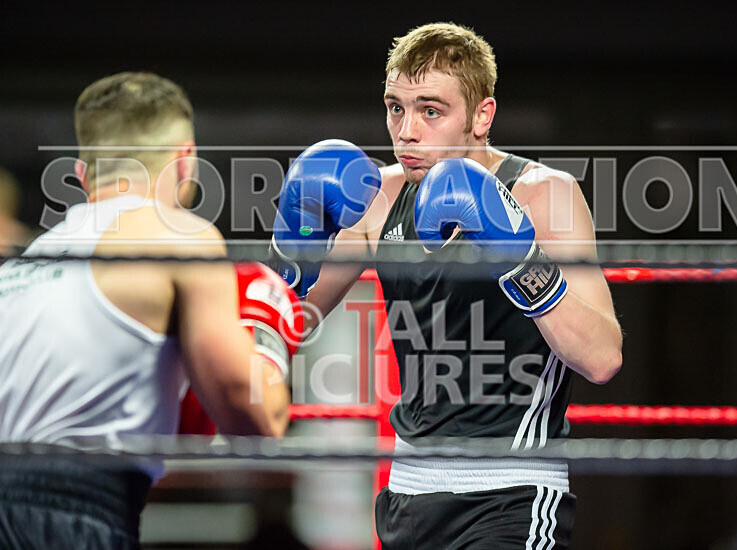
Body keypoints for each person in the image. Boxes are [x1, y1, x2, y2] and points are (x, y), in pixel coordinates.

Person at [277, 23, 623, 548]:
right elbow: (290, 326)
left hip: (512, 493)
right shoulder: (380, 197)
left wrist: (519, 258)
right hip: (407, 495)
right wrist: (291, 253)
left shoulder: (545, 195)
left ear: (482, 116)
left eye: (430, 111)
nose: (407, 131)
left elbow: (602, 358)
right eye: (396, 108)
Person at [0, 72, 299, 549]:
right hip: (76, 514)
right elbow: (256, 422)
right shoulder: (181, 236)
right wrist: (267, 332)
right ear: (186, 161)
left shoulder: (20, 266)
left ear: (82, 174)